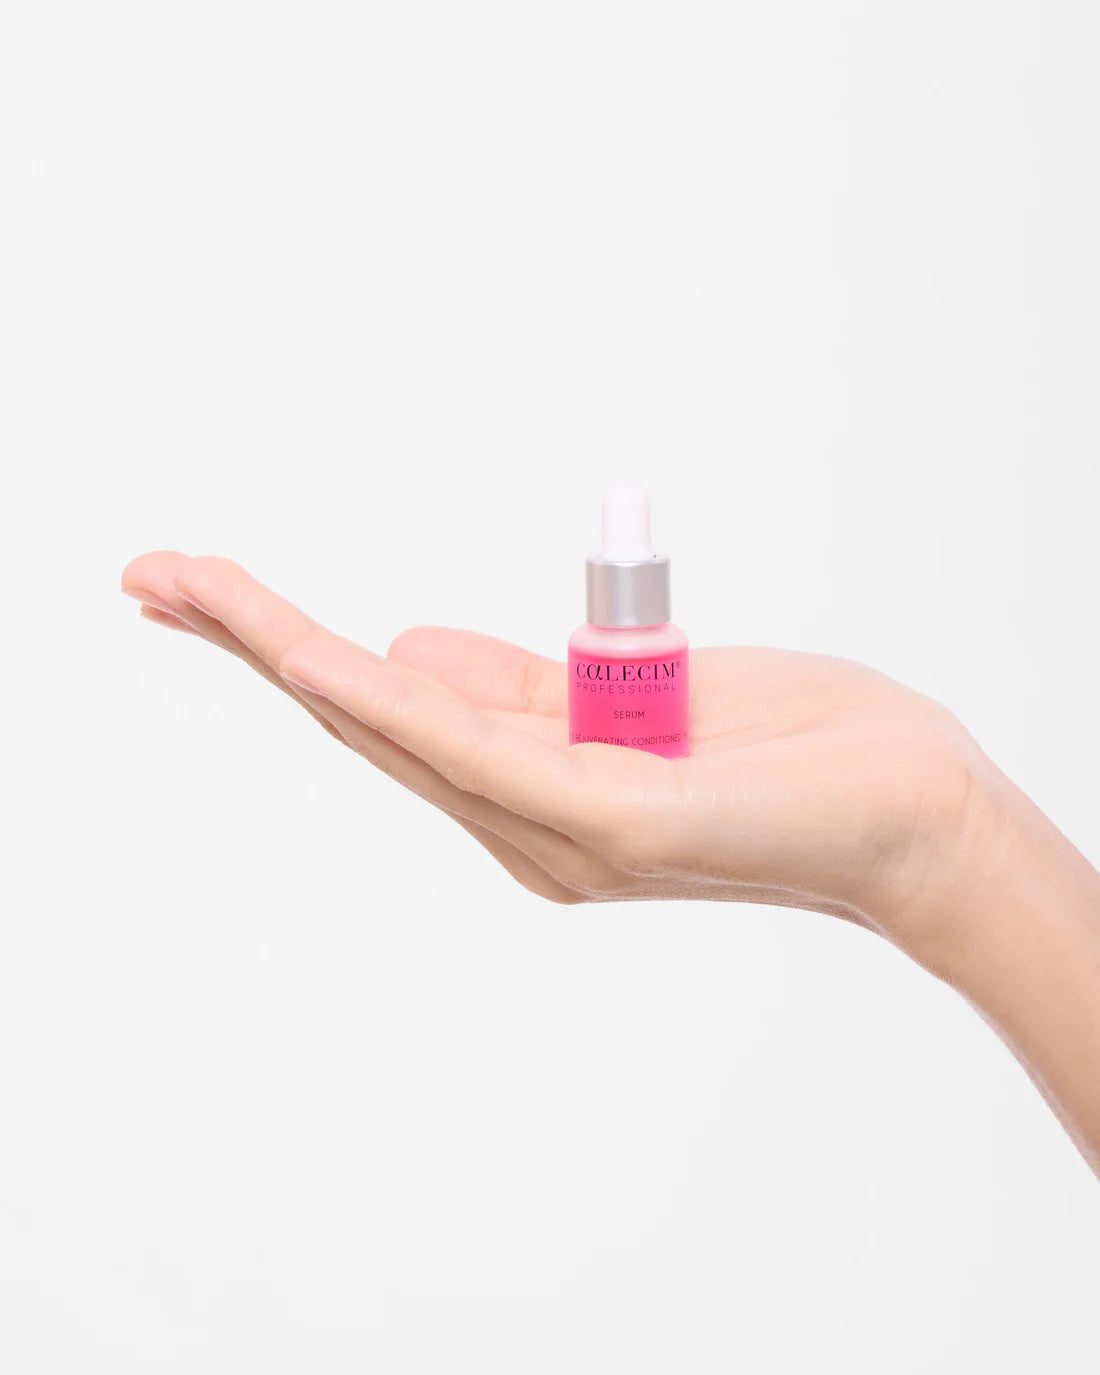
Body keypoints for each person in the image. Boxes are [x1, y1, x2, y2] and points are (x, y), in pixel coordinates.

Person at [122, 552, 1100, 1176]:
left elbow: (940, 827)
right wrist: (954, 836)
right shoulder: (607, 644)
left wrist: (947, 832)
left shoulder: (654, 643)